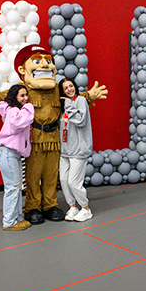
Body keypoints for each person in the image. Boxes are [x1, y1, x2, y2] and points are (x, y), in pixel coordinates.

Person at [0, 44, 107, 225]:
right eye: (38, 61)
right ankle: (32, 207)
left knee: (51, 175)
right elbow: (1, 97)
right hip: (34, 139)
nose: (45, 66)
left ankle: (50, 205)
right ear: (23, 69)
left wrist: (89, 96)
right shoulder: (23, 90)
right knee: (33, 175)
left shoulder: (56, 89)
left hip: (55, 139)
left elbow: (74, 96)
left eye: (48, 61)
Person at [0, 84, 34, 231]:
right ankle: (9, 222)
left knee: (17, 188)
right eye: (22, 96)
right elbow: (19, 123)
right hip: (7, 152)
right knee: (13, 187)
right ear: (15, 98)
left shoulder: (15, 111)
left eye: (26, 95)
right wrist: (29, 107)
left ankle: (17, 218)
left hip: (13, 154)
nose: (25, 98)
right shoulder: (14, 111)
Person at [58, 78, 93, 222]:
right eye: (65, 88)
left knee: (73, 182)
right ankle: (72, 206)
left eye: (70, 86)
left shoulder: (80, 101)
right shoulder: (63, 106)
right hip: (65, 150)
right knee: (64, 180)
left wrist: (69, 105)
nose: (69, 90)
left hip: (79, 149)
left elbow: (80, 120)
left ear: (75, 87)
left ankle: (85, 208)